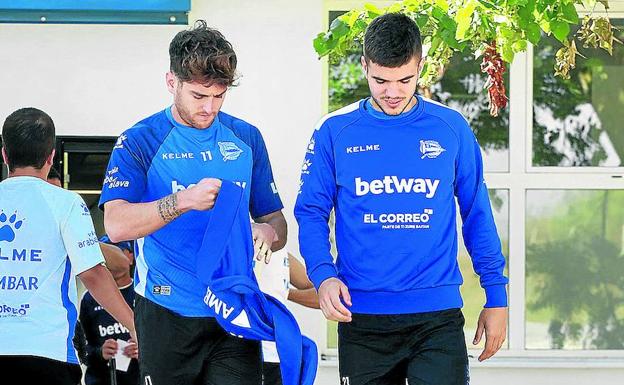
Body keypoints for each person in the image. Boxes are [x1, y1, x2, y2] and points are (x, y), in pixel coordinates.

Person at [295, 13, 508, 385]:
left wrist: (496, 294)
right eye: (380, 80)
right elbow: (311, 212)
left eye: (405, 80)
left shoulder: (451, 128)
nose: (392, 93)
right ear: (364, 66)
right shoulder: (334, 131)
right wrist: (323, 275)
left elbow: (476, 213)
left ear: (420, 66)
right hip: (361, 319)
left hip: (436, 317)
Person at [99, 20, 286, 385]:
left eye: (219, 96)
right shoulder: (140, 139)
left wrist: (267, 233)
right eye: (199, 96)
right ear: (172, 82)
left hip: (232, 307)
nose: (209, 108)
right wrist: (182, 201)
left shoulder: (246, 137)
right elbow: (116, 224)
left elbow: (276, 222)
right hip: (166, 308)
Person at [0, 107, 136, 385]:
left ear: (4, 154)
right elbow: (93, 274)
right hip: (47, 353)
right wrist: (135, 326)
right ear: (51, 156)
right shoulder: (66, 203)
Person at [76, 236, 138, 385]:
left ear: (130, 256)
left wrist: (144, 350)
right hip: (102, 378)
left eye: (116, 251)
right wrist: (100, 353)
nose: (108, 260)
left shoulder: (142, 293)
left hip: (140, 377)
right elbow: (81, 349)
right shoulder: (89, 299)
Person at [254, 250, 319, 385]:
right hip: (246, 353)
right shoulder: (243, 244)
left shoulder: (282, 253)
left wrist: (286, 293)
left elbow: (320, 294)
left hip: (279, 355)